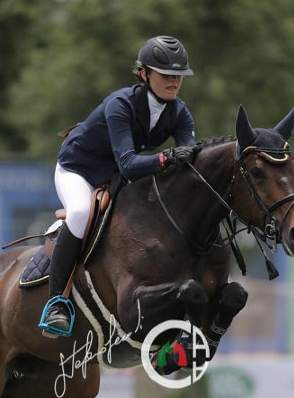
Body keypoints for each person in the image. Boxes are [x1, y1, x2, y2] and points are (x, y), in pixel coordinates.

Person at [39, 35, 198, 338]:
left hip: (115, 176)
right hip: (79, 170)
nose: (174, 81)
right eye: (166, 74)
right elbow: (128, 163)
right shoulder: (120, 104)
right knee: (80, 213)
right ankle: (56, 303)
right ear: (143, 74)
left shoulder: (180, 113)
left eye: (179, 75)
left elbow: (188, 158)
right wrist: (165, 158)